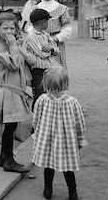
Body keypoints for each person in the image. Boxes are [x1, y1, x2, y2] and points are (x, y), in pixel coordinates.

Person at [0, 12, 34, 173]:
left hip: (15, 90)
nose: (9, 31)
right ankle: (8, 160)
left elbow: (28, 61)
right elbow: (14, 64)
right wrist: (15, 46)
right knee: (9, 127)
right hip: (7, 90)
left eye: (12, 28)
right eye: (5, 28)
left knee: (12, 126)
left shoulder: (12, 45)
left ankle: (3, 157)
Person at [33, 65, 87, 200]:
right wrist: (80, 139)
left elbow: (36, 119)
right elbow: (80, 122)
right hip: (66, 142)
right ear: (65, 83)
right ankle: (72, 192)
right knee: (68, 168)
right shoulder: (72, 102)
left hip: (47, 141)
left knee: (48, 166)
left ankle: (48, 189)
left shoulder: (42, 100)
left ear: (46, 83)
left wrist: (37, 133)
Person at [33, 0, 71, 69]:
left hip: (56, 44)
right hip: (39, 45)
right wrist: (39, 39)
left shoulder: (61, 8)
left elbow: (67, 28)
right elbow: (30, 27)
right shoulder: (35, 8)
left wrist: (56, 39)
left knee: (56, 72)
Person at [24, 8, 59, 106]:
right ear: (42, 22)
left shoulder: (45, 34)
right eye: (47, 20)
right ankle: (38, 116)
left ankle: (47, 115)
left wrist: (51, 49)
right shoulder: (32, 36)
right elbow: (41, 53)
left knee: (51, 94)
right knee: (40, 95)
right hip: (38, 71)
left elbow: (57, 50)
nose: (48, 23)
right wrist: (51, 50)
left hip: (49, 69)